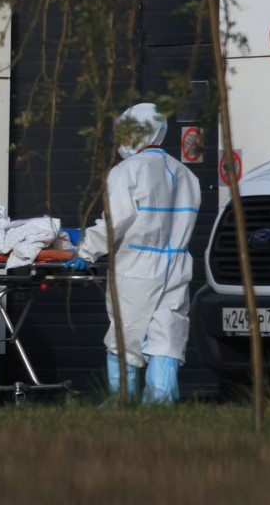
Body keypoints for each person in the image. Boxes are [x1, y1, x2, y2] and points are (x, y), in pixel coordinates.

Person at [65, 102, 201, 404]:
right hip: (176, 265)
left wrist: (85, 251)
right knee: (167, 334)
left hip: (136, 266)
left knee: (125, 337)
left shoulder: (126, 171)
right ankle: (160, 404)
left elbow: (115, 222)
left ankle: (121, 402)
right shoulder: (186, 176)